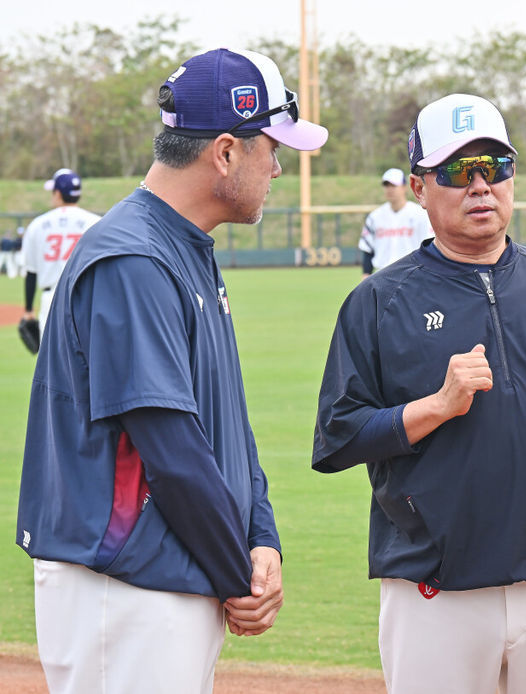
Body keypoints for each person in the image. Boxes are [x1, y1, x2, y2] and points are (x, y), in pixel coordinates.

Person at [16, 48, 328, 694]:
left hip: (170, 575)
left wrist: (262, 534)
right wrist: (238, 574)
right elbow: (173, 449)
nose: (277, 165)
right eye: (272, 147)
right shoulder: (133, 258)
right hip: (123, 589)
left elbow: (229, 426)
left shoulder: (184, 247)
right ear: (224, 152)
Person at [312, 93, 526, 694]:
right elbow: (337, 438)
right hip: (435, 586)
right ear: (419, 187)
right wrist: (436, 407)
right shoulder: (379, 301)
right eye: (455, 172)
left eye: (494, 168)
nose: (479, 187)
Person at [20, 169, 101, 336]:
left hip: (51, 300)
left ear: (57, 193)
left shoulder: (38, 224)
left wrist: (28, 309)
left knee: (52, 360)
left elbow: (31, 272)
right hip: (88, 299)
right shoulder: (96, 222)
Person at [359, 167, 433, 278]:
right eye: (386, 185)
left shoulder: (420, 214)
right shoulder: (375, 217)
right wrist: (366, 275)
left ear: (404, 187)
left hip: (413, 275)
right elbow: (368, 249)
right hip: (382, 275)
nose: (389, 189)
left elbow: (431, 246)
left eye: (393, 185)